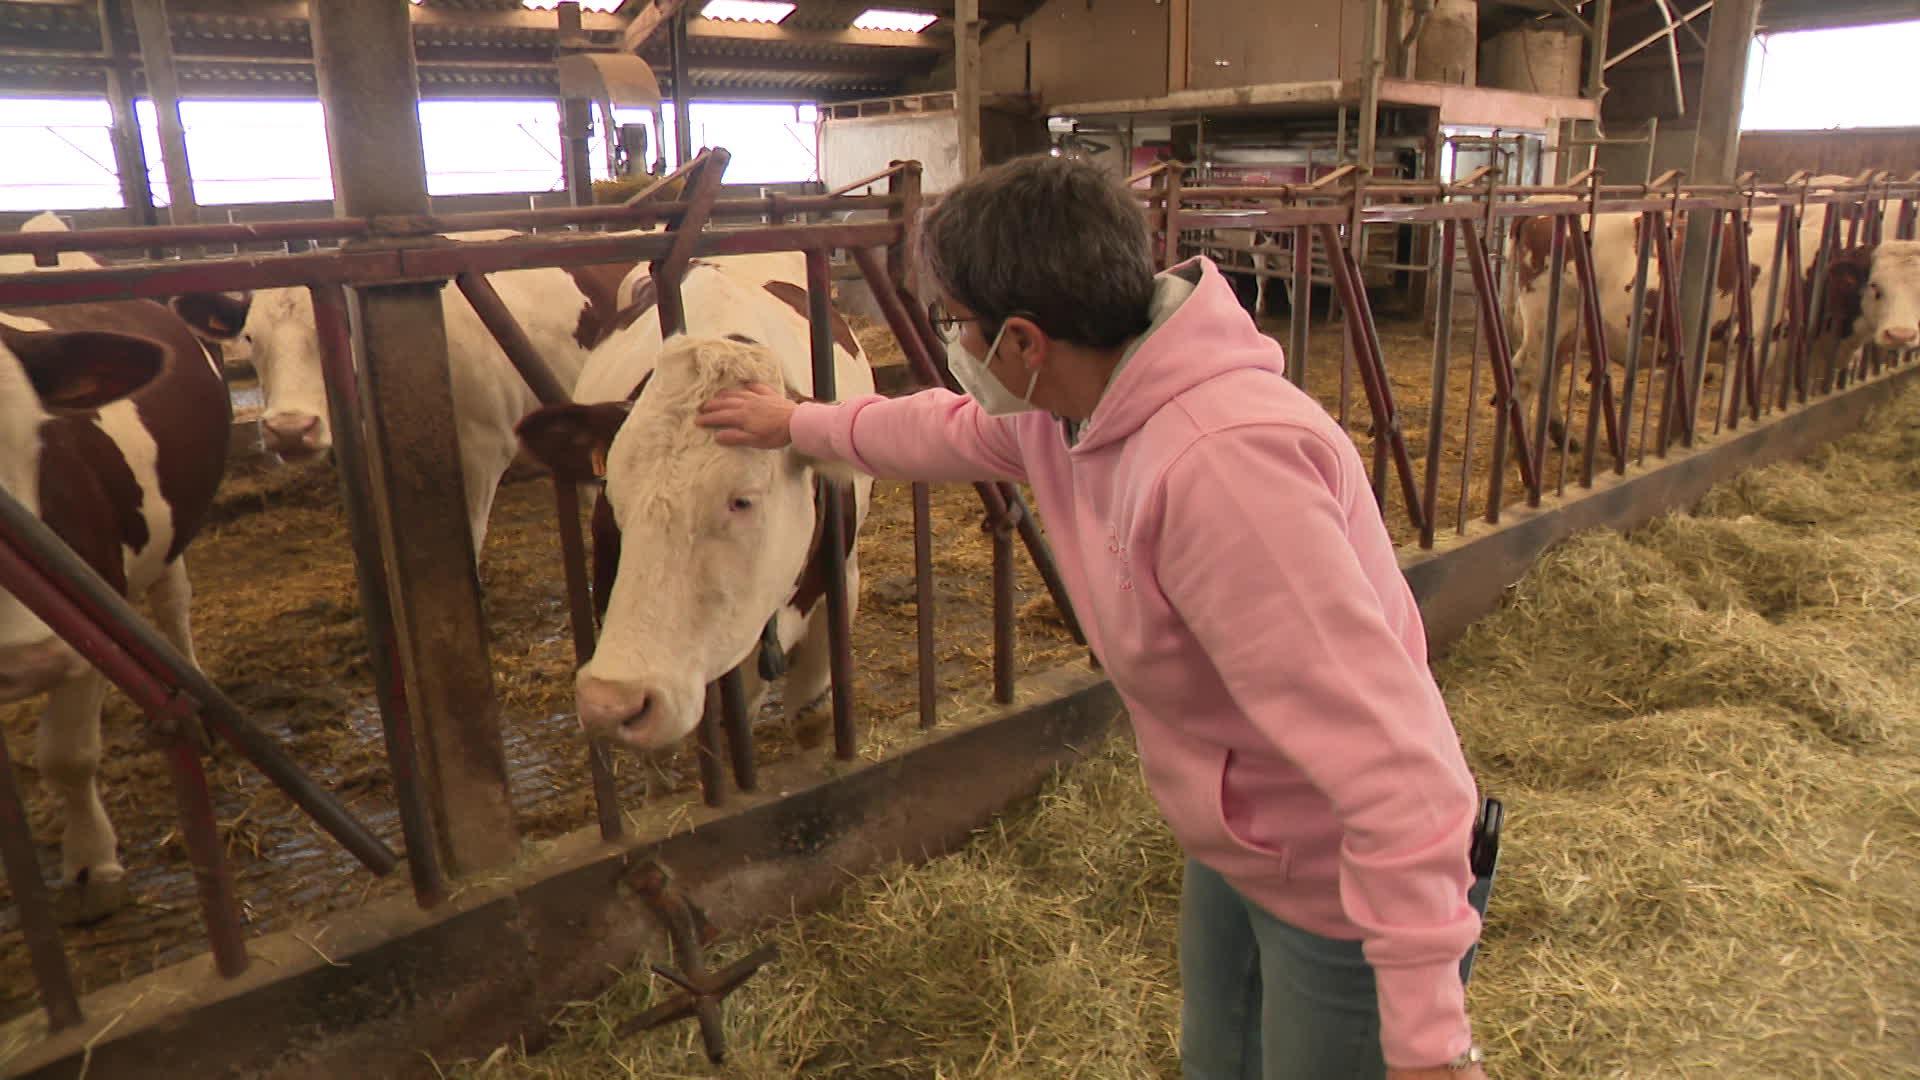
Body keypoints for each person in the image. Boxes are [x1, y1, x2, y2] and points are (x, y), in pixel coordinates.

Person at [697, 155, 1491, 1080]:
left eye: (958, 323)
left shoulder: (1223, 472)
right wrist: (798, 424)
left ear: (1025, 341)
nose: (954, 344)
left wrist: (1433, 1046)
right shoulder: (1072, 409)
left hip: (1345, 886)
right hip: (1245, 847)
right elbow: (942, 429)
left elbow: (1399, 773)